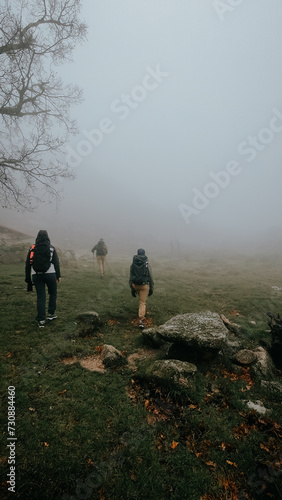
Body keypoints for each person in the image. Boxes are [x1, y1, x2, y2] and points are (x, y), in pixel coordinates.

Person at [25, 230, 61, 328]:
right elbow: (56, 264)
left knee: (41, 297)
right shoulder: (51, 248)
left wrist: (28, 279)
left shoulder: (32, 249)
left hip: (36, 275)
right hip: (50, 275)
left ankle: (41, 319)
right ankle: (51, 314)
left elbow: (28, 264)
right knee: (52, 293)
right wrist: (58, 276)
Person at [129, 248, 154, 329]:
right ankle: (141, 320)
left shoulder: (133, 264)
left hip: (135, 285)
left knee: (140, 299)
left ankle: (141, 313)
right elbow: (150, 277)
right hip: (144, 285)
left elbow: (131, 277)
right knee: (142, 302)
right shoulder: (146, 264)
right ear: (144, 254)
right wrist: (151, 288)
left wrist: (132, 288)